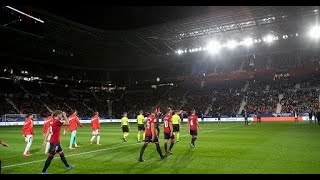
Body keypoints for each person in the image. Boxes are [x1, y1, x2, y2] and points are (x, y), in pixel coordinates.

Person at [41, 110, 74, 174]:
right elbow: (68, 123)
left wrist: (45, 140)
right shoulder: (57, 121)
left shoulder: (51, 121)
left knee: (61, 154)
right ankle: (43, 171)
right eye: (61, 114)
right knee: (50, 157)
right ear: (58, 114)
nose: (61, 115)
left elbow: (48, 131)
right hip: (55, 143)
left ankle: (67, 166)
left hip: (55, 142)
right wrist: (65, 116)